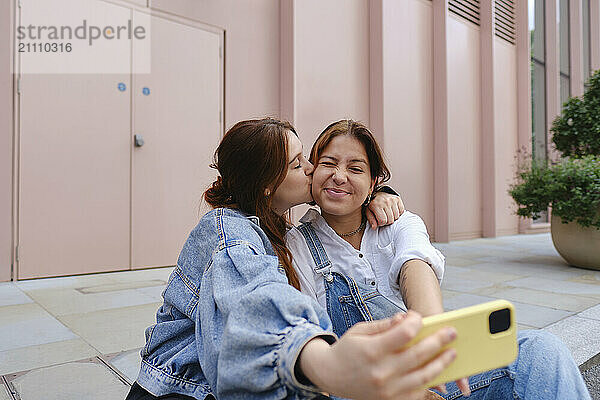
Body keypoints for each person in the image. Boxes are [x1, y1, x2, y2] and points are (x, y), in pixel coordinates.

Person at [125, 118, 459, 400]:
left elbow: (415, 262)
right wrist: (324, 362)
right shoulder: (229, 231)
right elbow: (256, 298)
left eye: (355, 169)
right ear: (268, 184)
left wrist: (379, 195)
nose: (315, 171)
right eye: (300, 164)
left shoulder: (272, 230)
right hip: (180, 391)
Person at [285, 119, 592, 400]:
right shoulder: (297, 244)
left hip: (427, 371)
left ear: (374, 181)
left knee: (540, 350)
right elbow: (314, 345)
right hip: (359, 386)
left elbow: (414, 267)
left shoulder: (400, 223)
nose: (339, 176)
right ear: (312, 172)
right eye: (328, 164)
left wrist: (432, 353)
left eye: (355, 168)